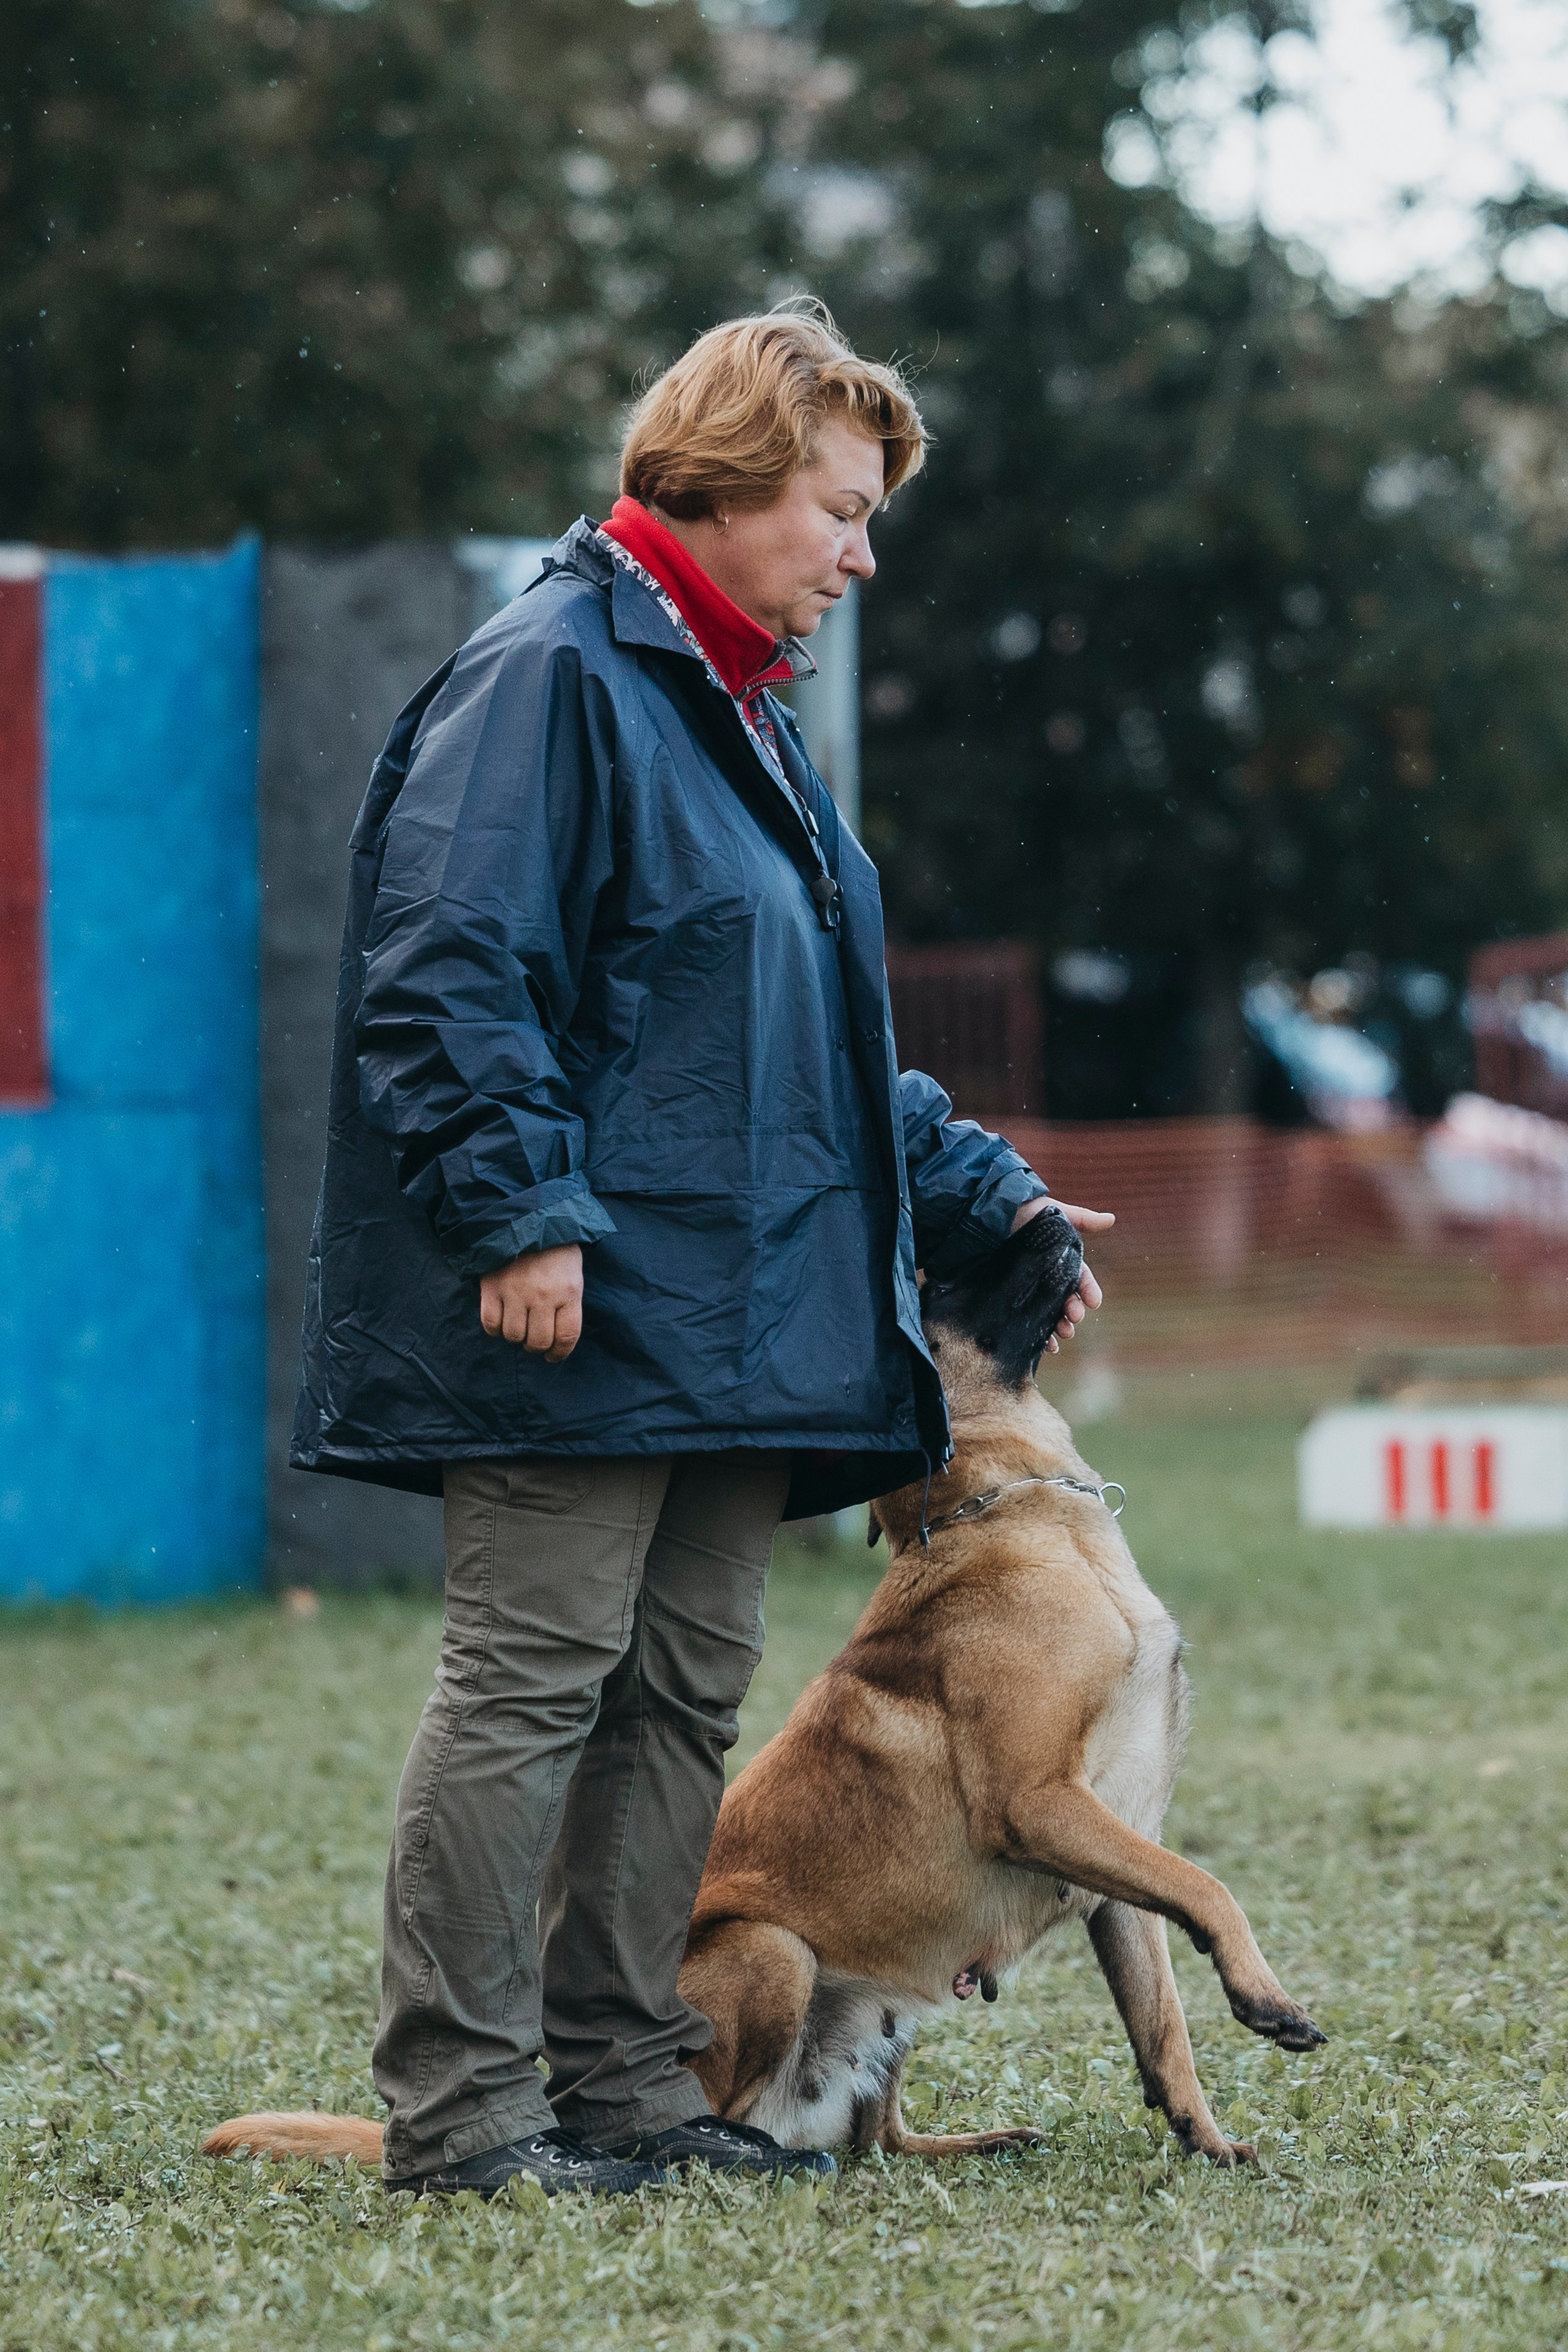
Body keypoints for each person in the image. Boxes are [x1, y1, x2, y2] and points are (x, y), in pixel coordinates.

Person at [292, 301, 1109, 2199]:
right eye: (837, 508)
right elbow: (442, 973)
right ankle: (469, 2118)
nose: (860, 552)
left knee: (675, 1701)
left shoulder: (745, 710)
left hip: (738, 1325)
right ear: (724, 482)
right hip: (575, 1307)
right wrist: (518, 1210)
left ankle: (630, 2094)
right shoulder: (552, 673)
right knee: (528, 1690)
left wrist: (983, 1185)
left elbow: (800, 1048)